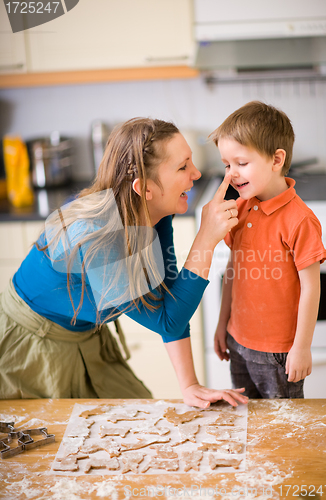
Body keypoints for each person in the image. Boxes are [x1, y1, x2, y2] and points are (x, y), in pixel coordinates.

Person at [0, 117, 248, 409]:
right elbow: (168, 319)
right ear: (144, 188)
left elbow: (168, 303)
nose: (195, 173)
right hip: (32, 342)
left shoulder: (155, 212)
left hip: (85, 335)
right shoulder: (96, 238)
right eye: (183, 167)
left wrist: (189, 385)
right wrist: (205, 239)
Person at [210, 101, 326, 399]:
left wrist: (301, 347)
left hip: (279, 353)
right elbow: (231, 272)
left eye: (241, 163)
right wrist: (222, 323)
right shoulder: (238, 209)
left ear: (276, 160)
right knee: (246, 424)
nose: (232, 174)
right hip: (238, 342)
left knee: (282, 429)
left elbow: (311, 288)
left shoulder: (299, 220)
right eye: (227, 165)